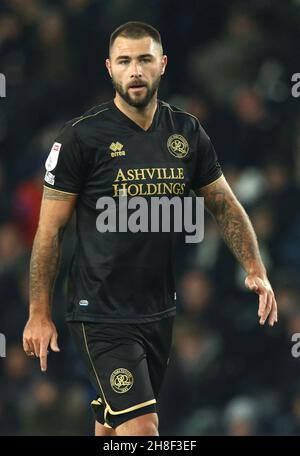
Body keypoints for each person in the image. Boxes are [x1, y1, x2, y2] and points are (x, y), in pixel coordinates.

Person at [23, 21, 278, 437]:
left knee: (112, 427)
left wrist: (256, 267)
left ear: (162, 64)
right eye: (124, 61)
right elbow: (48, 232)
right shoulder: (81, 138)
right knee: (143, 429)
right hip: (100, 312)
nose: (135, 71)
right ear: (110, 68)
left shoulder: (186, 132)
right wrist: (38, 312)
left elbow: (223, 205)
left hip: (158, 309)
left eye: (144, 60)